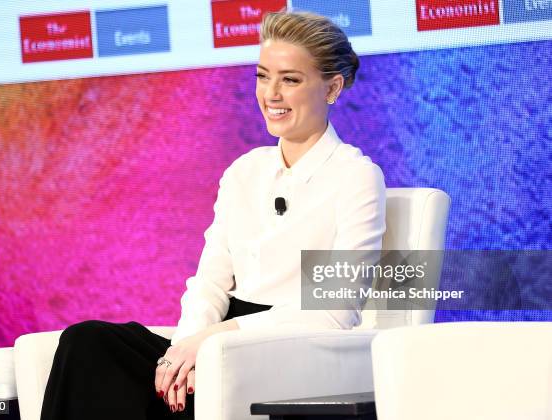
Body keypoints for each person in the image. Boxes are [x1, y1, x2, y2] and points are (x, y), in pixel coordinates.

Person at [40, 10, 385, 420]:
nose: (271, 94)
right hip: (213, 346)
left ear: (332, 88)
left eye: (290, 79)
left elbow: (335, 311)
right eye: (262, 76)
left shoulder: (356, 176)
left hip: (282, 354)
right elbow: (210, 283)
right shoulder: (243, 171)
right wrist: (182, 353)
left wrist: (215, 338)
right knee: (88, 343)